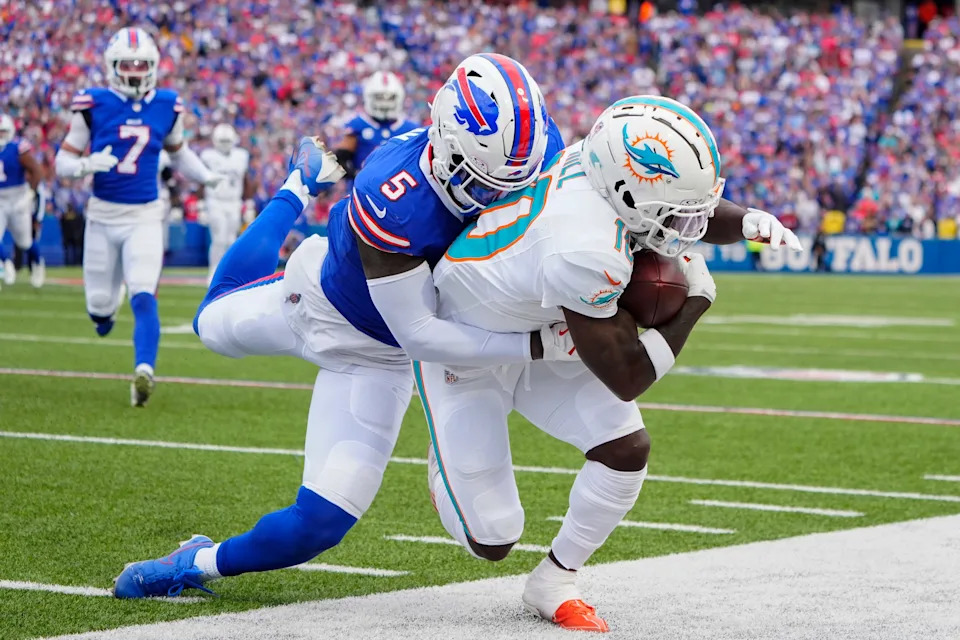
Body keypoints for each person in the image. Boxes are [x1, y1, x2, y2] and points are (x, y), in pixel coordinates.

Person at [112, 53, 572, 599]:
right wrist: (534, 344)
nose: (500, 198)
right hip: (324, 306)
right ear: (447, 144)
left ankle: (196, 562)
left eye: (511, 181)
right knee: (210, 324)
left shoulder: (529, 147)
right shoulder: (394, 195)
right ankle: (298, 185)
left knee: (321, 524)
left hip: (382, 361)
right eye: (484, 184)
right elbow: (419, 333)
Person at [415, 96, 801, 631]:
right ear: (627, 193)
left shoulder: (600, 165)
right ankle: (446, 457)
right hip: (468, 347)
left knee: (625, 450)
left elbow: (687, 207)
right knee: (493, 539)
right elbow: (627, 377)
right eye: (680, 212)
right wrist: (696, 303)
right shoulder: (586, 247)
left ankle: (554, 580)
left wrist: (752, 221)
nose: (693, 223)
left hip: (543, 324)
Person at [54, 27, 222, 407]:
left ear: (154, 66)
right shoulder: (92, 103)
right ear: (111, 67)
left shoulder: (167, 104)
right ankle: (104, 315)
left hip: (145, 214)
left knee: (144, 295)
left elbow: (179, 154)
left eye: (141, 64)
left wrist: (206, 175)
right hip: (101, 216)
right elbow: (62, 161)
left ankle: (144, 371)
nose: (133, 71)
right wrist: (85, 165)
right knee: (100, 311)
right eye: (126, 64)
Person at [334, 71, 419, 180]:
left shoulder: (410, 128)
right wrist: (355, 175)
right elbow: (340, 161)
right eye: (379, 97)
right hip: (363, 191)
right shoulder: (358, 125)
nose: (384, 103)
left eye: (390, 98)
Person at [198, 124, 254, 284]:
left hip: (234, 201)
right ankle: (213, 271)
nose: (224, 144)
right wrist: (201, 204)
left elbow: (245, 180)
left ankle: (227, 272)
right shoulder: (208, 156)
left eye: (227, 140)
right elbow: (203, 180)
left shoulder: (241, 156)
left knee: (231, 240)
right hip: (215, 201)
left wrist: (248, 203)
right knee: (219, 239)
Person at [0, 114, 46, 290]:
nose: (1, 135)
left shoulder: (17, 148)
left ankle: (37, 264)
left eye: (3, 132)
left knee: (25, 242)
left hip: (18, 196)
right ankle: (7, 265)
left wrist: (29, 194)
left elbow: (36, 171)